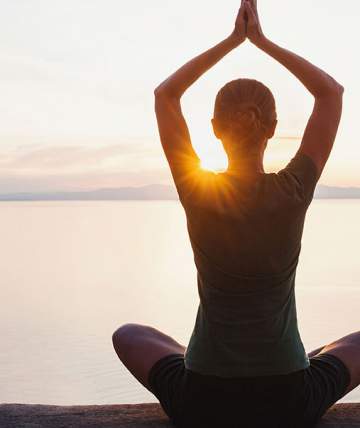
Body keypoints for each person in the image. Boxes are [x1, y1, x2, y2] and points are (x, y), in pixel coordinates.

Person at [112, 1, 359, 427]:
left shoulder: (197, 190)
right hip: (288, 397)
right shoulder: (294, 189)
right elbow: (330, 94)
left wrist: (232, 41)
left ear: (213, 128)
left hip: (204, 397)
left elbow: (165, 96)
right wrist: (262, 42)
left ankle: (199, 356)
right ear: (273, 126)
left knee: (129, 335)